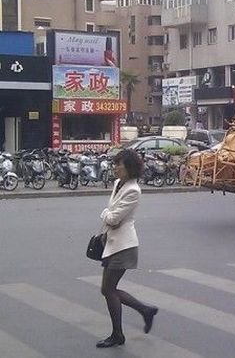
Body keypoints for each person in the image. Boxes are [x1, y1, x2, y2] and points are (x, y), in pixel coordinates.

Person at [96, 149, 158, 348]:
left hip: (124, 246)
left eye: (118, 164)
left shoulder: (133, 190)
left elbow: (114, 218)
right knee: (108, 289)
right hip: (112, 243)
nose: (115, 168)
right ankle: (144, 312)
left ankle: (119, 333)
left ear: (129, 167)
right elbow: (113, 218)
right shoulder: (117, 184)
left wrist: (105, 213)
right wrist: (110, 215)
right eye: (114, 164)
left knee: (108, 289)